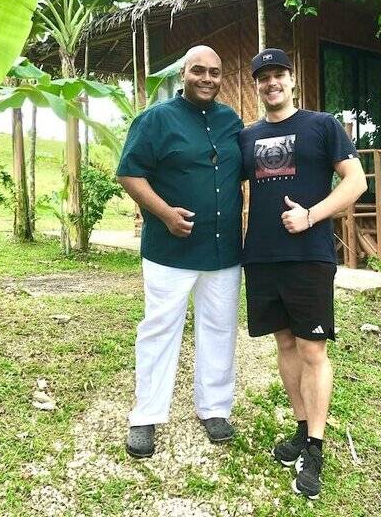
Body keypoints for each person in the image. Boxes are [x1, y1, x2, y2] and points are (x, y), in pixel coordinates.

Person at [239, 48, 367, 498]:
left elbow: (356, 181)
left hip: (309, 255)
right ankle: (299, 427)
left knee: (312, 348)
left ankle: (315, 446)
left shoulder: (322, 125)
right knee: (285, 343)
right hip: (262, 256)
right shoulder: (247, 137)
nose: (271, 82)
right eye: (263, 77)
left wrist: (311, 216)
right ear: (257, 86)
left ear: (292, 80)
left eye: (279, 74)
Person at [117, 45, 244, 458]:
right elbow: (129, 173)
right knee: (160, 329)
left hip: (224, 251)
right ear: (183, 74)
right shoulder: (156, 119)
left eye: (214, 72)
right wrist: (165, 214)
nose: (207, 78)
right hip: (170, 249)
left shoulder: (230, 121)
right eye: (198, 71)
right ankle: (146, 415)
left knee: (220, 328)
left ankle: (214, 409)